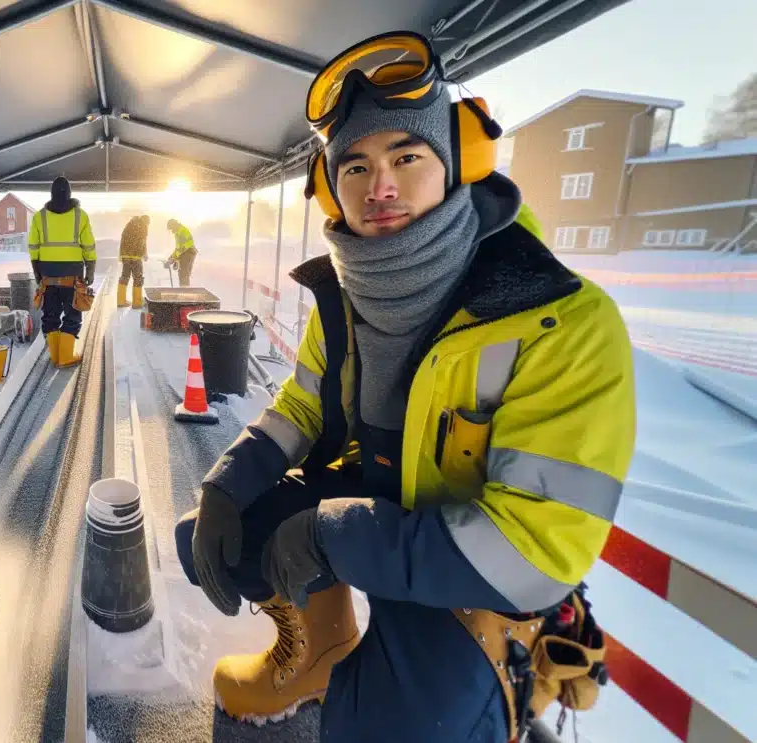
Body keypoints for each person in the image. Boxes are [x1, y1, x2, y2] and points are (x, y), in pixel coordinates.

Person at [175, 31, 631, 742]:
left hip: (475, 580)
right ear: (332, 186)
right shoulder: (347, 297)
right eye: (354, 165)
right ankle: (320, 655)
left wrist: (332, 537)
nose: (378, 186)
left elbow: (532, 551)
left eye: (406, 157)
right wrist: (227, 485)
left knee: (387, 728)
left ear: (460, 165)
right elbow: (301, 405)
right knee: (212, 540)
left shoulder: (562, 323)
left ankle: (492, 699)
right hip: (384, 513)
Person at [28, 176, 96, 367]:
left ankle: (55, 355)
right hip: (72, 276)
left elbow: (33, 247)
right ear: (70, 194)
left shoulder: (39, 217)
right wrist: (90, 268)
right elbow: (88, 246)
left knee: (50, 314)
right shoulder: (80, 216)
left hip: (47, 275)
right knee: (73, 313)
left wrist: (37, 271)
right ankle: (65, 357)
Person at [117, 214, 149, 308]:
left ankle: (121, 301)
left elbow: (123, 239)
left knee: (125, 276)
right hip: (136, 256)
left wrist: (121, 255)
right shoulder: (143, 226)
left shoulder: (129, 224)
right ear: (146, 221)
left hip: (125, 255)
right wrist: (144, 254)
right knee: (138, 278)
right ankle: (137, 303)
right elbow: (142, 241)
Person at [163, 218, 196, 286]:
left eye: (171, 229)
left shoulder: (182, 232)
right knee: (182, 273)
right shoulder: (178, 232)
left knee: (184, 274)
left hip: (189, 252)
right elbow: (178, 249)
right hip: (185, 253)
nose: (171, 231)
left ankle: (185, 292)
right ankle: (183, 290)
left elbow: (182, 249)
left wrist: (172, 260)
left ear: (174, 225)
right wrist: (172, 258)